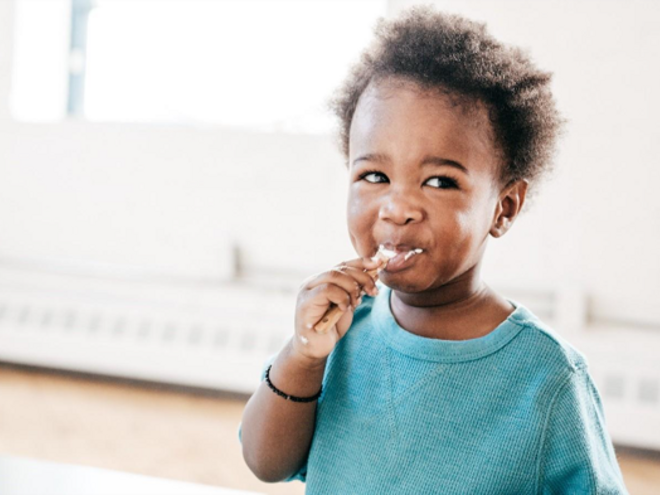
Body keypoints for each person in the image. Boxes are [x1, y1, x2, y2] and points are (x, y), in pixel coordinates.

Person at [239, 6, 628, 494]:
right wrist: (302, 357)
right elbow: (265, 463)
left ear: (504, 208)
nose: (397, 207)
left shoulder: (547, 378)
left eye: (440, 181)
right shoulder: (340, 334)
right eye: (374, 176)